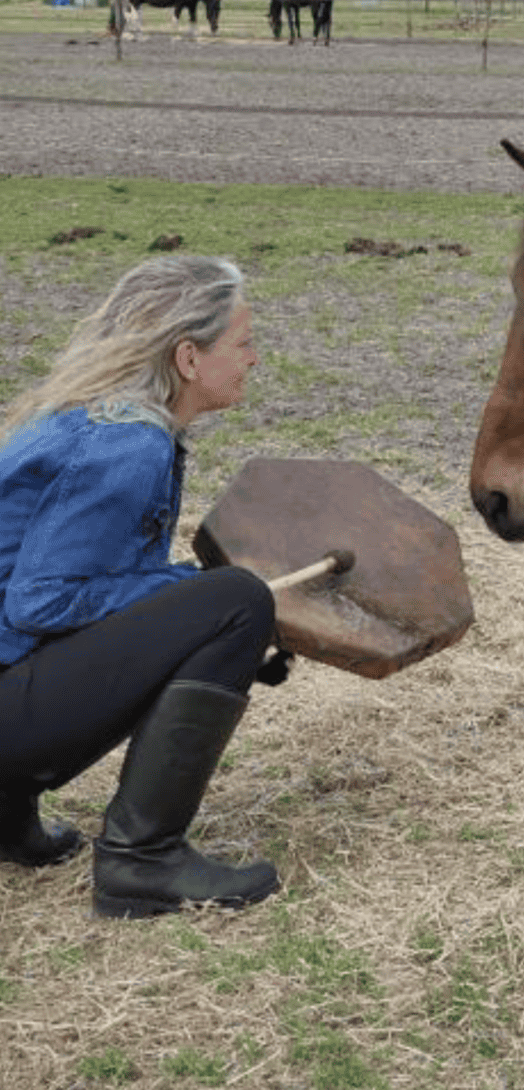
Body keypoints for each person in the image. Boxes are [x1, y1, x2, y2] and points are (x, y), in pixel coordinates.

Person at [0, 254, 285, 918]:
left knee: (203, 602)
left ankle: (5, 813)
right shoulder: (127, 444)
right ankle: (143, 858)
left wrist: (172, 604)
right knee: (237, 600)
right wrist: (185, 594)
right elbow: (42, 601)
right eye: (243, 342)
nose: (255, 358)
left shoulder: (89, 417)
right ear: (188, 358)